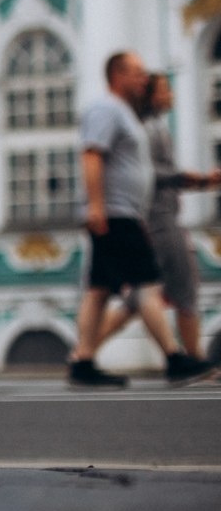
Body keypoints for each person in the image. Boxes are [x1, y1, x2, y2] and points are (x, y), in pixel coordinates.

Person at [69, 52, 214, 388]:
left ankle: (83, 361)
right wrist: (96, 206)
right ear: (118, 76)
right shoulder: (106, 109)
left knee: (99, 290)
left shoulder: (125, 114)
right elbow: (92, 154)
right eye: (136, 73)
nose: (143, 79)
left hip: (123, 211)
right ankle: (175, 358)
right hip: (115, 212)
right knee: (147, 285)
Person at [96, 74, 217, 364]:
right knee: (184, 288)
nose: (172, 95)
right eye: (165, 90)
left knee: (139, 297)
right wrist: (196, 180)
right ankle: (195, 359)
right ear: (151, 96)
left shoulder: (153, 126)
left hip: (159, 218)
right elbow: (151, 174)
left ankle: (84, 350)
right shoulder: (149, 129)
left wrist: (194, 181)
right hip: (161, 221)